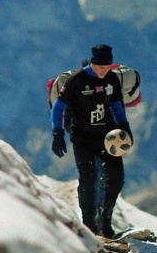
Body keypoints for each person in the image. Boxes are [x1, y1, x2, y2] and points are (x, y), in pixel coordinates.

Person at [50, 44, 133, 238]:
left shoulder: (112, 78)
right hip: (83, 138)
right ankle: (88, 224)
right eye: (101, 67)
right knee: (87, 180)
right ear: (93, 63)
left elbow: (116, 104)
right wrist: (57, 134)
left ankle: (105, 219)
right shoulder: (76, 81)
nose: (105, 71)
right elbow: (58, 107)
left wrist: (124, 125)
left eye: (108, 67)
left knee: (117, 178)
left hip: (107, 137)